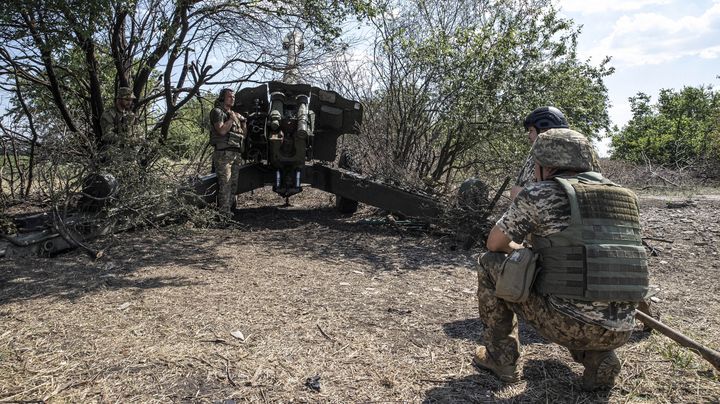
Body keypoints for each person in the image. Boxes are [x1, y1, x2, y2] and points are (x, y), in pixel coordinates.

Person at [473, 128, 648, 390]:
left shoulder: (539, 194)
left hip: (568, 323)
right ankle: (598, 356)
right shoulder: (626, 196)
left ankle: (502, 360)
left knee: (489, 263)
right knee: (582, 294)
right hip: (622, 326)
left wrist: (527, 256)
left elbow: (495, 243)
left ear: (543, 164)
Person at [511, 106, 601, 199]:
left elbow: (520, 195)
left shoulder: (540, 155)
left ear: (544, 130)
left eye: (531, 130)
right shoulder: (586, 150)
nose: (529, 136)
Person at [209, 88, 246, 215]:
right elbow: (221, 131)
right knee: (225, 185)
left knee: (233, 185)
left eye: (233, 97)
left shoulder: (234, 114)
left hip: (235, 154)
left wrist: (243, 122)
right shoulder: (218, 112)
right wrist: (231, 119)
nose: (232, 98)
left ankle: (228, 212)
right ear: (222, 98)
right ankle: (224, 216)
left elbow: (243, 134)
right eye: (229, 96)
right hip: (223, 154)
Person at [99, 86, 140, 164]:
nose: (130, 102)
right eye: (127, 99)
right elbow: (107, 135)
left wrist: (137, 139)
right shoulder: (109, 114)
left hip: (128, 151)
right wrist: (126, 140)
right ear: (119, 99)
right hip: (112, 151)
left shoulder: (130, 115)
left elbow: (136, 132)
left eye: (131, 100)